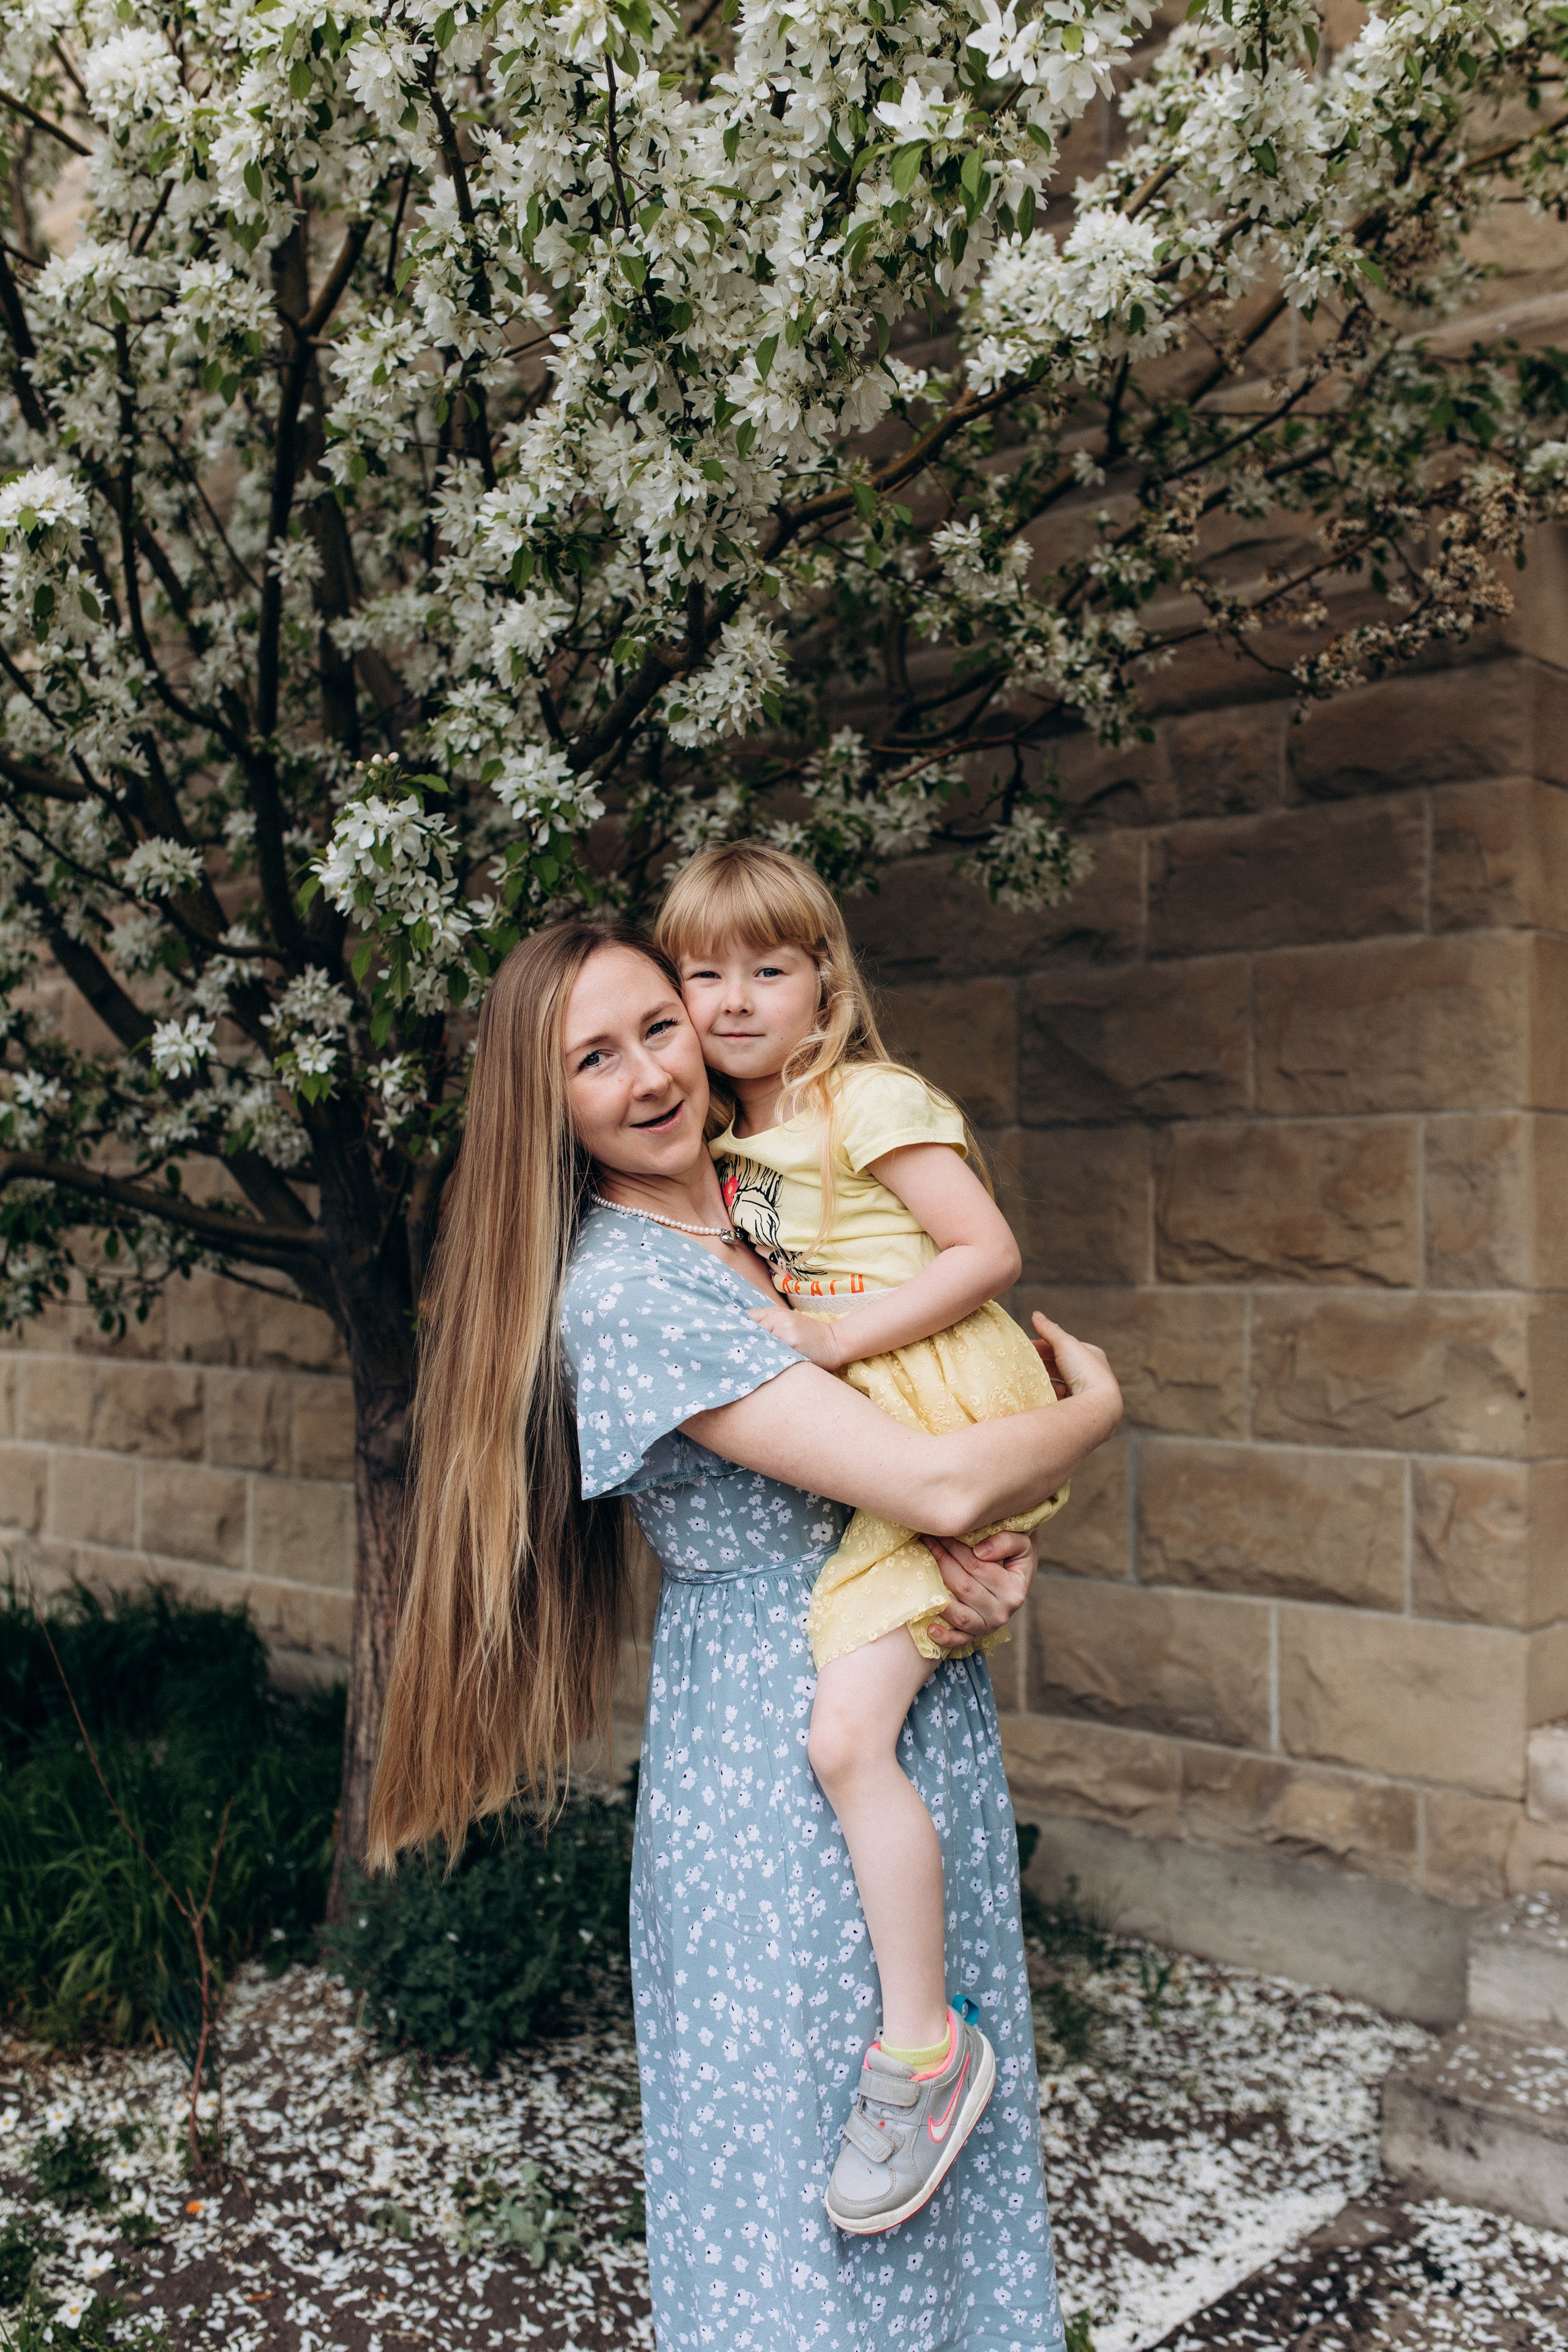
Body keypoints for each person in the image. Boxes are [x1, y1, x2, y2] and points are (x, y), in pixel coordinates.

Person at [370, 913, 1122, 2352]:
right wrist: (1088, 1416)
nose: (648, 1074)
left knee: (946, 2169)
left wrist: (985, 1569)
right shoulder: (628, 1290)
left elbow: (926, 1442)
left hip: (909, 1706)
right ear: (550, 1106)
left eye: (659, 1025)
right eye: (593, 1060)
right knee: (806, 2204)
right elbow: (938, 1473)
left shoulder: (772, 1194)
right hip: (778, 1773)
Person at [657, 841, 1070, 2229]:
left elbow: (983, 1254)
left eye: (765, 969)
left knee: (843, 1736)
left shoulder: (867, 1100)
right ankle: (920, 2042)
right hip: (897, 1448)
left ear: (822, 982)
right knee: (883, 1667)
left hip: (950, 1402)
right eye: (699, 973)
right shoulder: (726, 1149)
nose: (729, 1000)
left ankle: (922, 2053)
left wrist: (835, 1337)